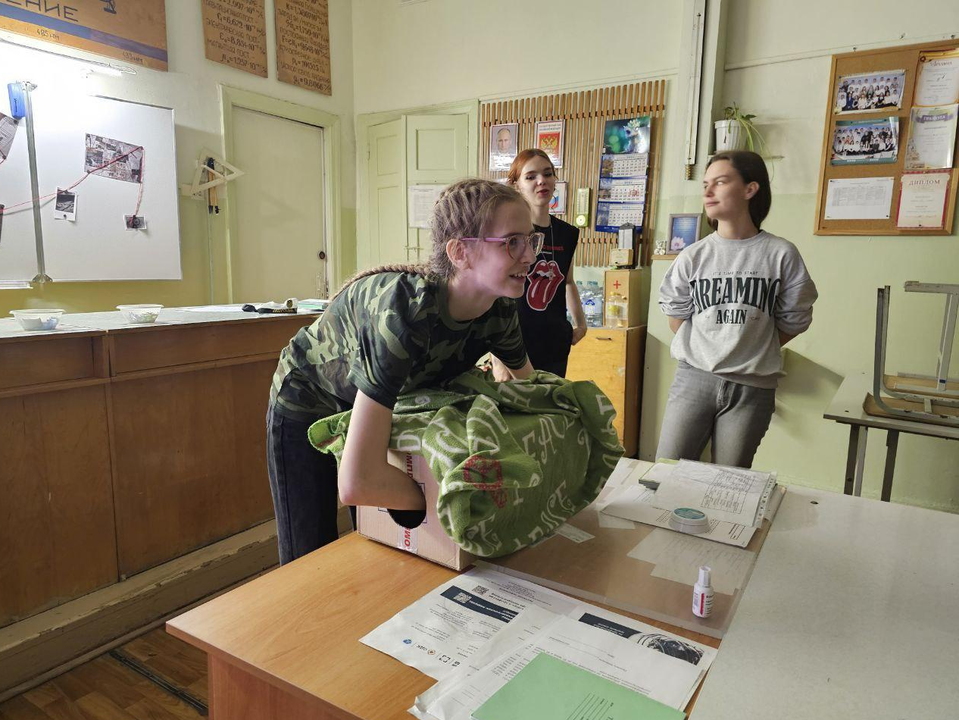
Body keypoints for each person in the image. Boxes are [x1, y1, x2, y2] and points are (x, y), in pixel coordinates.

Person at [268, 179, 537, 564]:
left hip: (377, 407)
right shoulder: (405, 313)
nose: (529, 256)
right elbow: (358, 482)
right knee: (310, 555)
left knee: (381, 547)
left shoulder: (499, 309)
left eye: (530, 240)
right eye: (513, 242)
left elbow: (532, 393)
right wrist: (447, 494)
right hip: (309, 401)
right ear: (460, 251)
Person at [656, 150, 818, 469]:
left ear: (749, 189)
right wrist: (710, 346)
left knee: (728, 482)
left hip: (752, 386)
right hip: (694, 378)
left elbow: (795, 319)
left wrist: (751, 345)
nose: (707, 191)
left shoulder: (781, 254)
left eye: (720, 181)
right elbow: (676, 315)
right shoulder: (693, 256)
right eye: (705, 183)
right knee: (666, 471)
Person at [495, 148, 586, 377]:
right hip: (514, 342)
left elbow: (568, 282)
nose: (541, 181)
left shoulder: (567, 233)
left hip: (554, 341)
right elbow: (495, 291)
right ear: (517, 185)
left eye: (547, 174)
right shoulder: (507, 232)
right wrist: (497, 357)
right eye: (531, 176)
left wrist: (581, 324)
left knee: (549, 409)